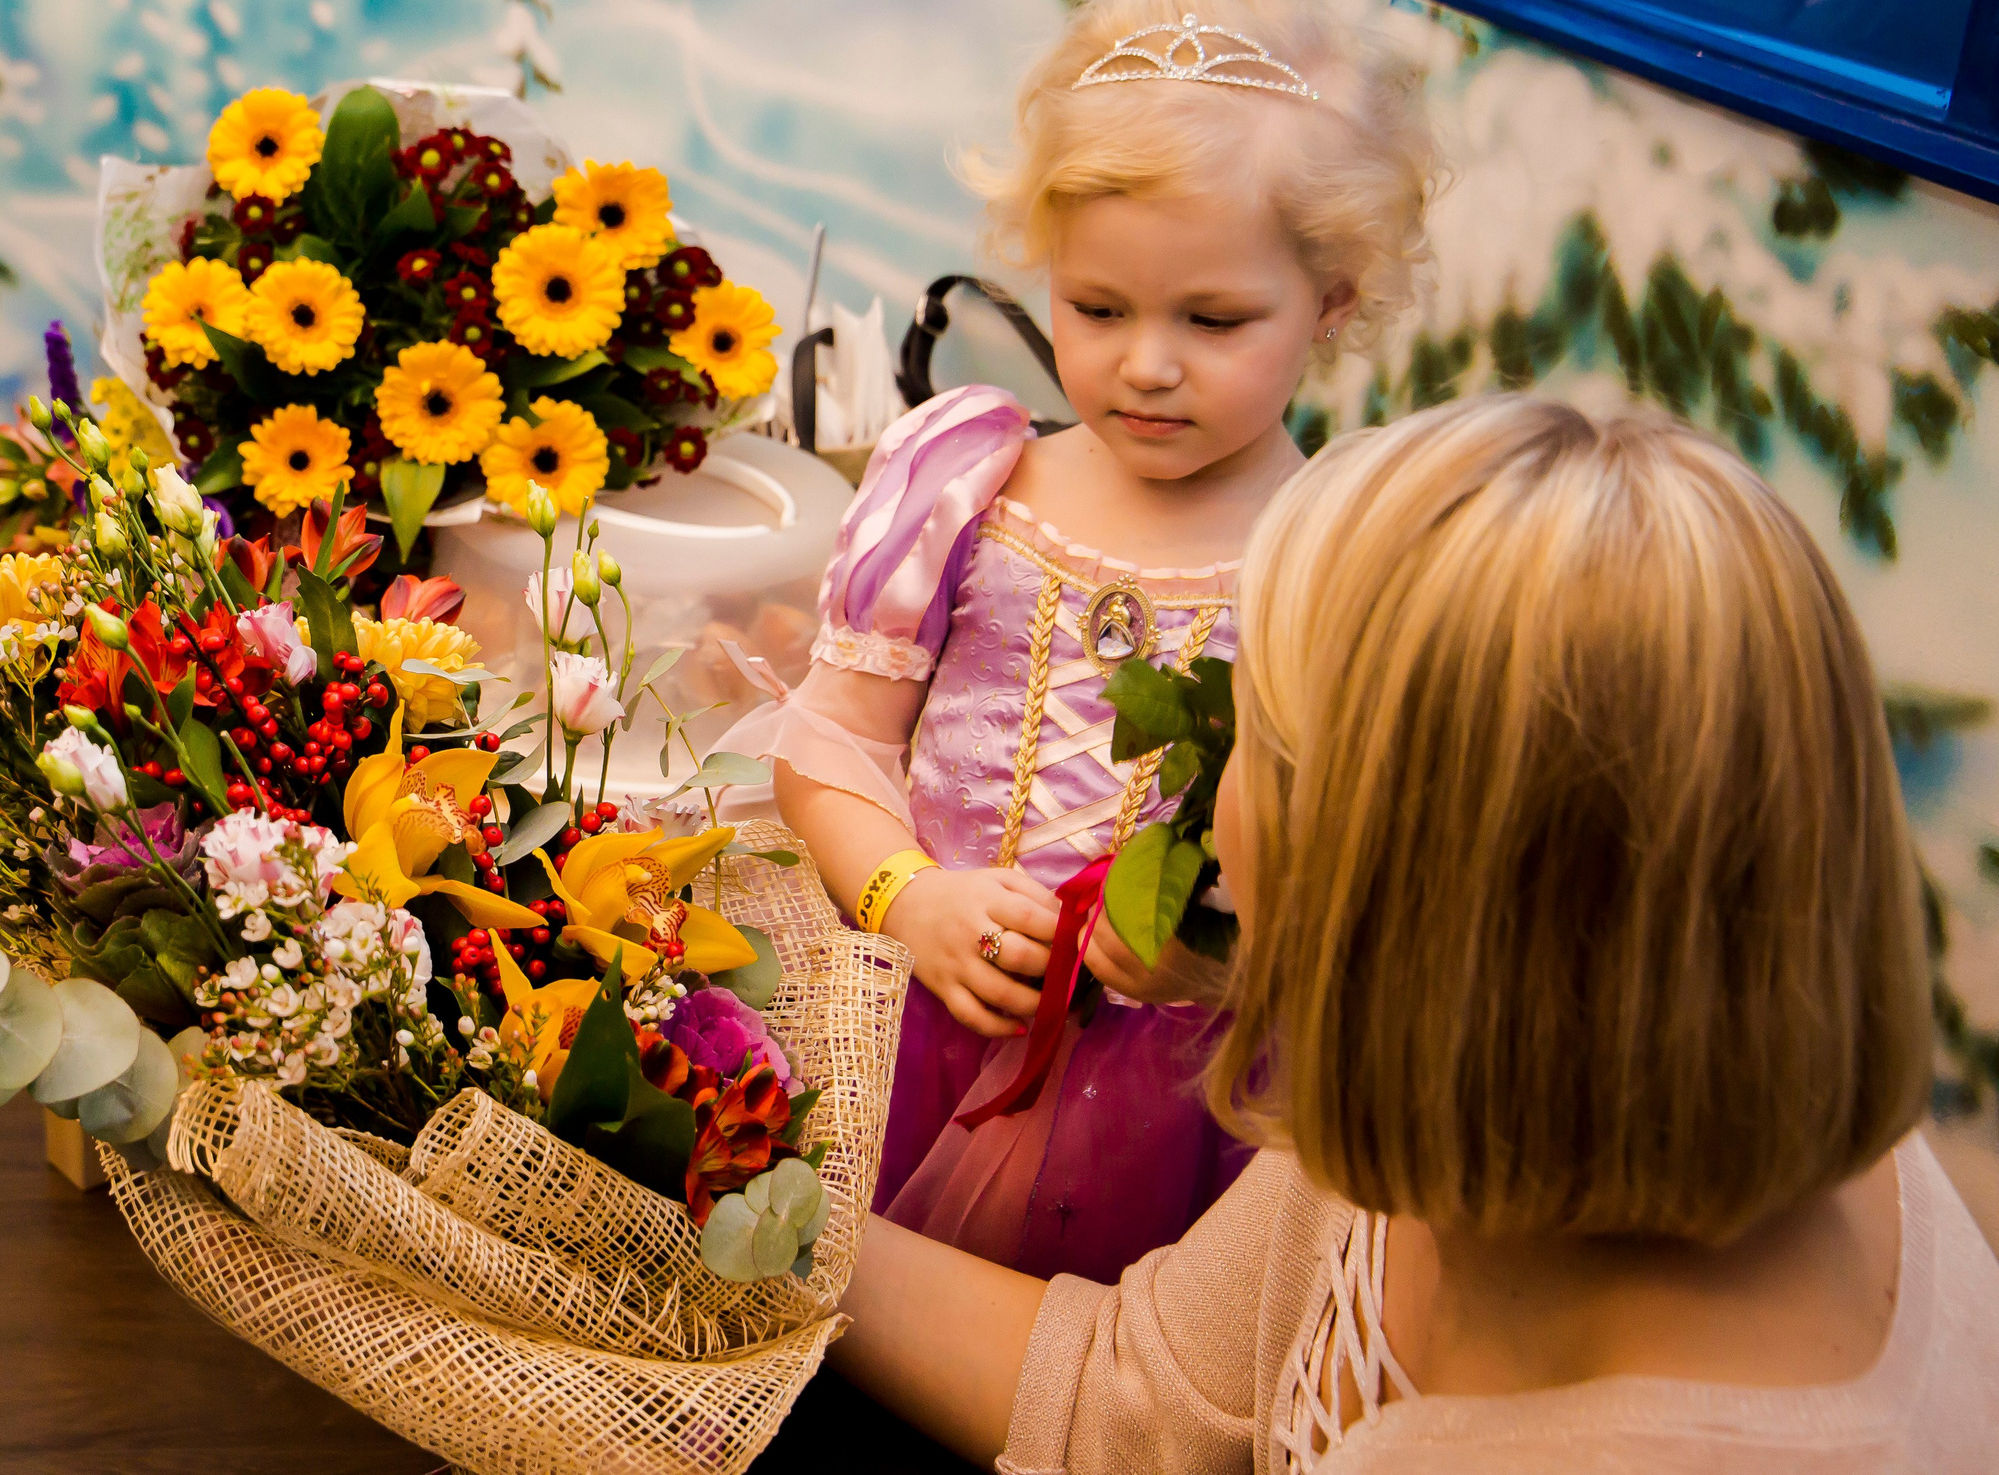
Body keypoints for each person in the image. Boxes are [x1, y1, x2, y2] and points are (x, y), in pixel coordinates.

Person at [827, 394, 1999, 1473]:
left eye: (1255, 745)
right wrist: (775, 1221)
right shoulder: (1491, 1082)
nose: (1213, 826)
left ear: (1407, 884)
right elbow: (1143, 1400)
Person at [718, 0, 1438, 1282]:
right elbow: (829, 742)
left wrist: (1234, 959)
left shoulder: (1344, 557)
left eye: (1213, 319)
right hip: (924, 1032)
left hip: (1191, 1102)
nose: (1145, 363)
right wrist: (906, 894)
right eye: (1097, 308)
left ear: (1331, 302)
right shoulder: (972, 481)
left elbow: (1386, 874)